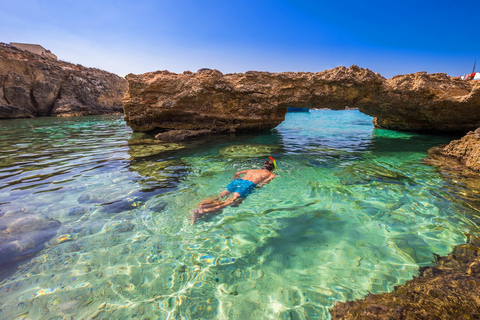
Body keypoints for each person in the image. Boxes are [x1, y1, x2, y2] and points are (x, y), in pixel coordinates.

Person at [190, 158, 277, 224]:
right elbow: (265, 182)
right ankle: (201, 212)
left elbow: (237, 173)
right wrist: (259, 187)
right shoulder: (271, 174)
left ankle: (200, 206)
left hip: (237, 181)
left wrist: (235, 180)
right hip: (247, 185)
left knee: (219, 196)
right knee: (229, 202)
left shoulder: (252, 170)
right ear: (272, 169)